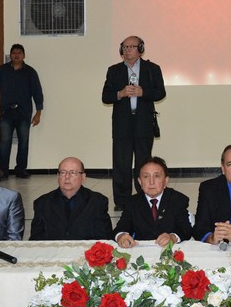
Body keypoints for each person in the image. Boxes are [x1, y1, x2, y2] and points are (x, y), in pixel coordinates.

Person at [102, 35, 166, 211]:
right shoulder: (114, 70)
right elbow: (105, 96)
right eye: (124, 47)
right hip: (122, 124)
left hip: (143, 123)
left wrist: (143, 92)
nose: (127, 50)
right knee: (121, 163)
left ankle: (142, 198)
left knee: (143, 163)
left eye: (131, 47)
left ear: (141, 49)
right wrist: (120, 94)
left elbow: (160, 93)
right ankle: (121, 201)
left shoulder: (152, 69)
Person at [0, 43, 43, 180]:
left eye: (19, 53)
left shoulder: (30, 72)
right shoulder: (2, 70)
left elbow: (37, 92)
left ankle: (21, 170)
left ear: (24, 56)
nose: (16, 55)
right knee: (4, 142)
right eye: (14, 53)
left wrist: (38, 112)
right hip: (6, 112)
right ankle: (3, 171)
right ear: (10, 55)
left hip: (24, 112)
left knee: (23, 141)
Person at [114, 157, 192, 247]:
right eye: (146, 177)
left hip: (170, 250)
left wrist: (172, 237)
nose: (151, 182)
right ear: (140, 182)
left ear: (166, 181)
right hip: (142, 251)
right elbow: (121, 228)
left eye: (156, 176)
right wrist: (121, 236)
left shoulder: (178, 200)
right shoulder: (131, 203)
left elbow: (185, 229)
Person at [29, 157, 112, 240]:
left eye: (73, 173)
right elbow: (36, 240)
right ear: (58, 176)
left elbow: (104, 239)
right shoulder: (42, 203)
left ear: (83, 177)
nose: (67, 176)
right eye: (63, 172)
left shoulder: (97, 202)